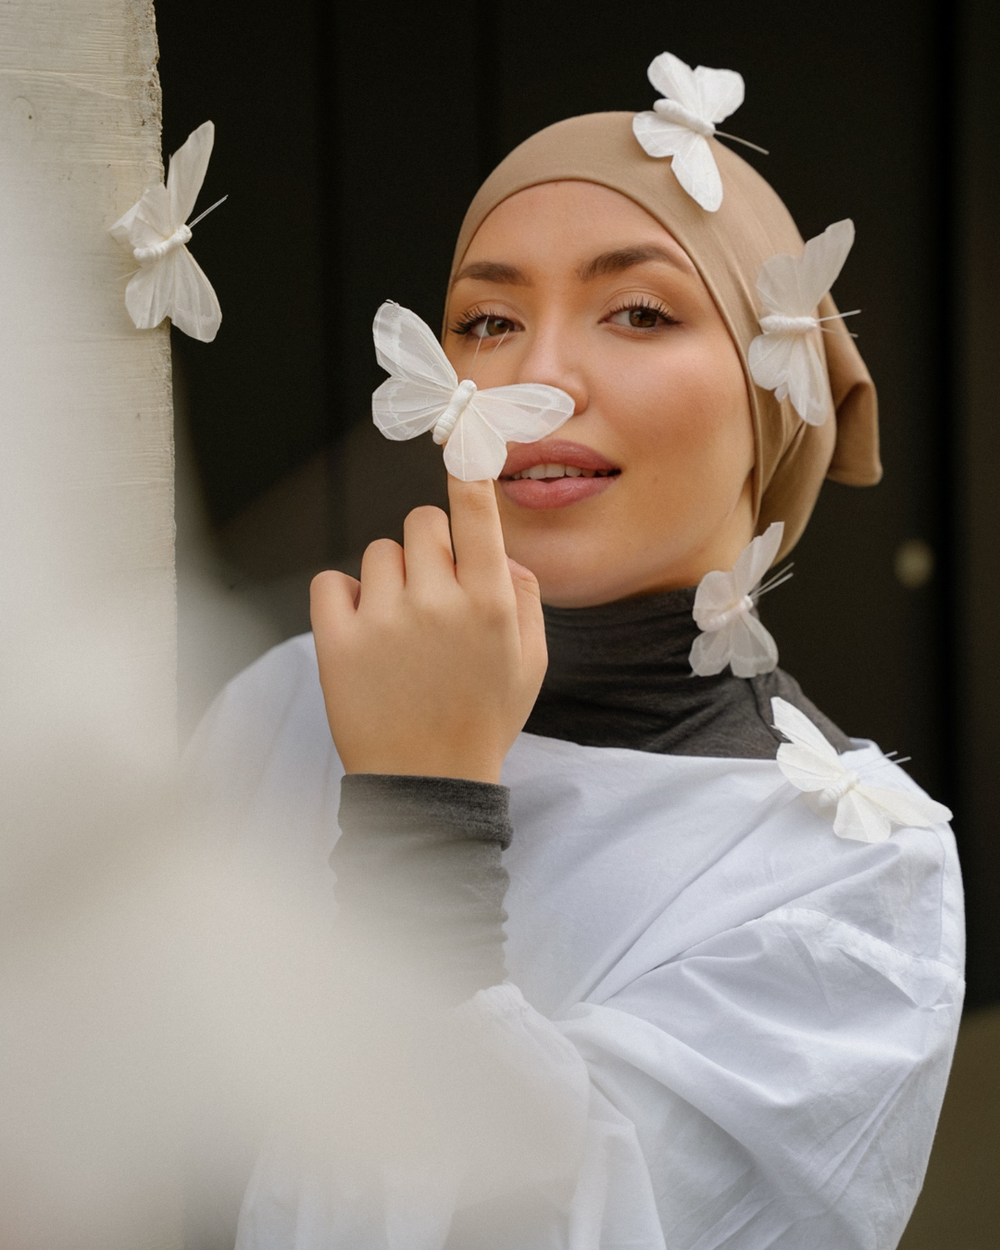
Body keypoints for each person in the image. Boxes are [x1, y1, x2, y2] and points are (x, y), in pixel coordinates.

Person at [187, 73, 963, 1250]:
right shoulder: (290, 692)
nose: (534, 376)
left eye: (641, 312)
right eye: (487, 323)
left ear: (775, 391)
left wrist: (422, 808)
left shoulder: (853, 877)